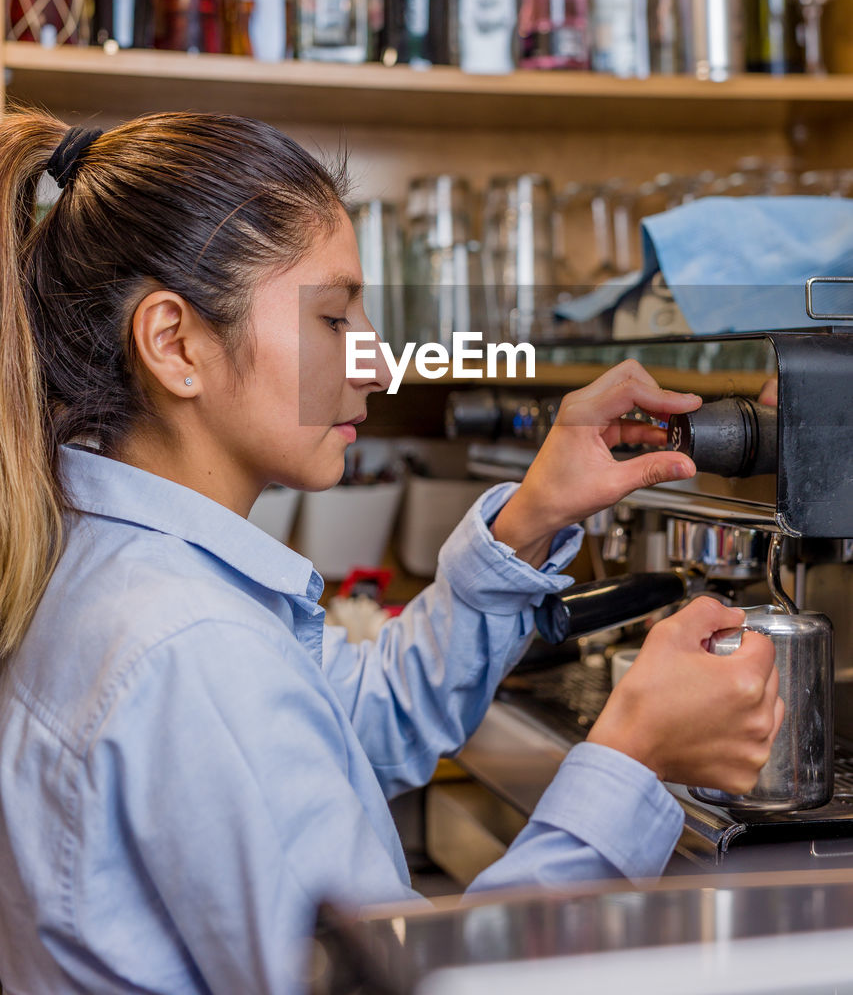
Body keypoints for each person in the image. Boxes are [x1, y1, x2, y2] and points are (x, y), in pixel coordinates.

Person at [0, 111, 782, 995]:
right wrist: (634, 758)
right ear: (176, 344)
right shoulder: (187, 647)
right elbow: (401, 985)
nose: (378, 363)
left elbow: (349, 726)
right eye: (334, 317)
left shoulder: (108, 562)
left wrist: (528, 517)